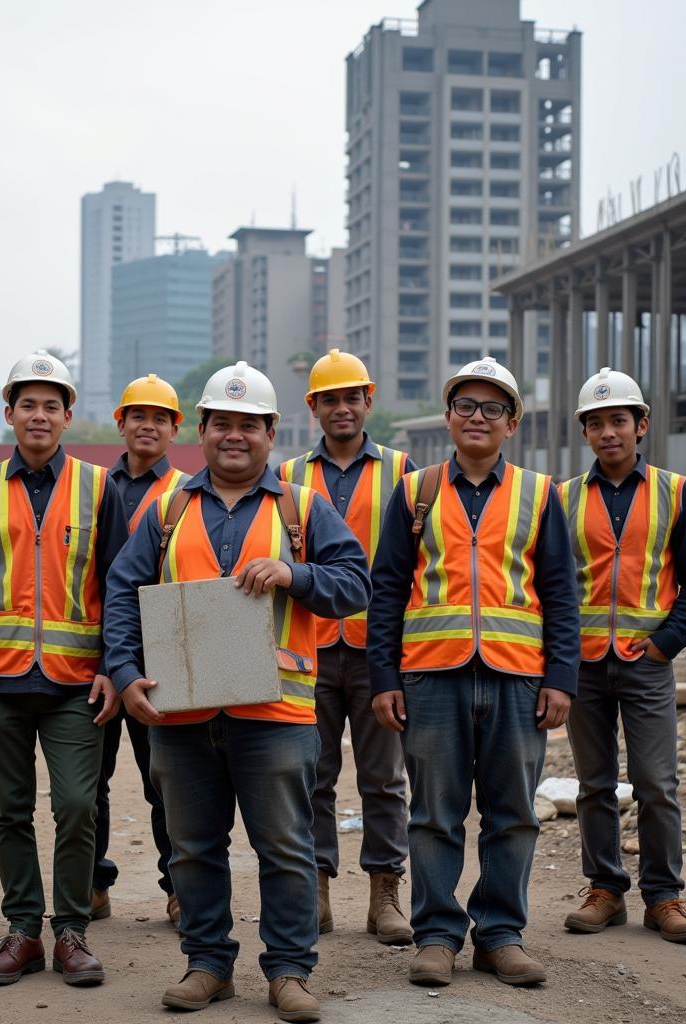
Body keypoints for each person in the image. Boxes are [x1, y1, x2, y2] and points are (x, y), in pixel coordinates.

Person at [105, 361, 371, 1023]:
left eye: (248, 424)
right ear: (202, 429)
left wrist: (295, 574)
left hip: (275, 713)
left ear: (270, 431)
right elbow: (121, 594)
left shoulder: (303, 509)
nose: (234, 435)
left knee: (285, 848)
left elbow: (357, 585)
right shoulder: (167, 510)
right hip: (183, 713)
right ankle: (207, 965)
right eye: (222, 423)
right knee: (192, 847)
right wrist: (123, 670)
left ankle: (288, 972)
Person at [367, 356, 580, 988]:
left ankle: (501, 934)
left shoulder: (541, 494)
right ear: (449, 417)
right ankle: (436, 935)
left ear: (511, 423)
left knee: (512, 811)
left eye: (492, 408)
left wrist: (561, 678)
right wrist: (384, 678)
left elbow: (561, 594)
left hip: (517, 677)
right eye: (466, 406)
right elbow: (386, 591)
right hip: (432, 677)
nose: (477, 418)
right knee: (435, 811)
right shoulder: (415, 491)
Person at [0, 350, 127, 988]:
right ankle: (23, 929)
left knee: (78, 804)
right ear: (10, 413)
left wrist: (113, 665)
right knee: (10, 808)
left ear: (68, 415)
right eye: (28, 404)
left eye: (52, 405)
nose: (40, 415)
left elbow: (119, 586)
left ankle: (70, 930)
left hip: (77, 681)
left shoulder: (101, 488)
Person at [279, 350, 415, 942]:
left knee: (384, 777)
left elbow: (412, 563)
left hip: (376, 648)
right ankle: (317, 887)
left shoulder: (404, 472)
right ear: (313, 407)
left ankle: (385, 892)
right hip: (306, 646)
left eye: (350, 397)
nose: (341, 407)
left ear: (369, 399)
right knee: (311, 773)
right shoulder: (285, 477)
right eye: (329, 398)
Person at [559, 367, 686, 942]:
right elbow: (552, 586)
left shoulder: (676, 492)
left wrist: (663, 645)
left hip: (646, 662)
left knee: (657, 783)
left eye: (618, 421)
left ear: (642, 426)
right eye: (596, 423)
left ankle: (664, 896)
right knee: (594, 783)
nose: (608, 432)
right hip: (583, 663)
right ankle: (606, 889)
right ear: (585, 432)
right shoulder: (562, 499)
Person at [92, 374, 187, 926]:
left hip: (164, 660)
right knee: (90, 782)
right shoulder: (92, 489)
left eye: (159, 418)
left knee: (167, 780)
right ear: (120, 424)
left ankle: (178, 885)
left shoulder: (186, 493)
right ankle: (93, 883)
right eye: (137, 416)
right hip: (96, 660)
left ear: (176, 429)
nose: (147, 426)